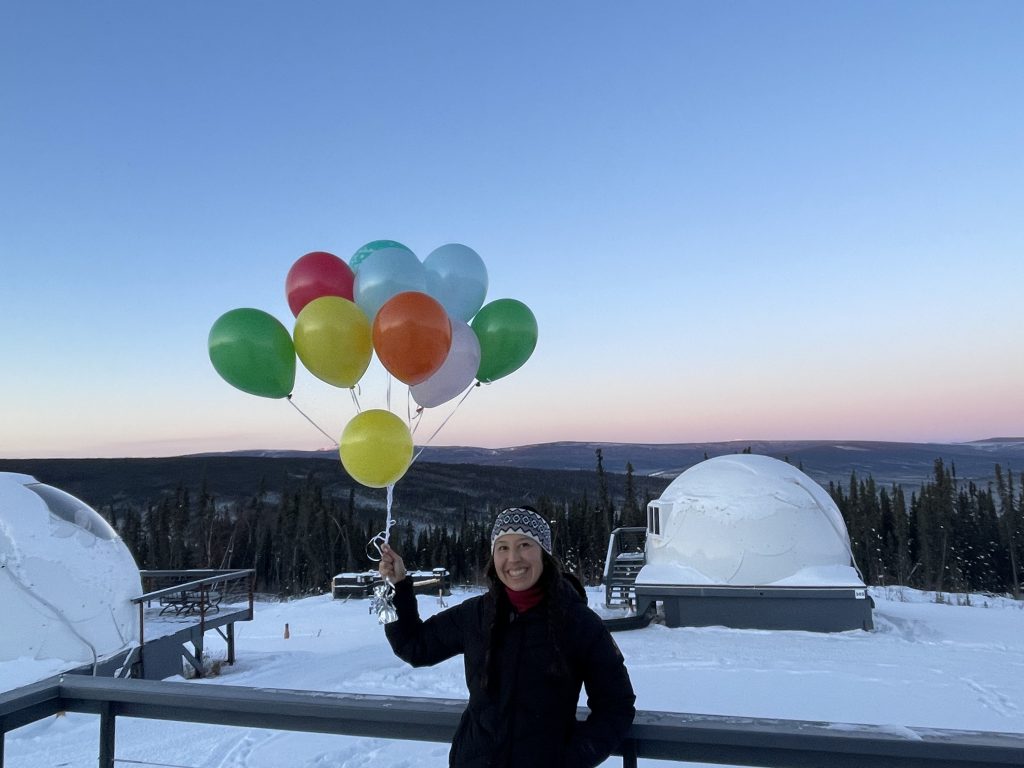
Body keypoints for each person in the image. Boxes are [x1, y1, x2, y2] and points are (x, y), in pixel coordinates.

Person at [379, 505, 636, 768]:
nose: (513, 558)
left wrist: (570, 759)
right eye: (502, 547)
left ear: (544, 554)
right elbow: (414, 646)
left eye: (525, 544)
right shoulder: (476, 615)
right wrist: (397, 588)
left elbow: (616, 706)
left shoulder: (579, 624)